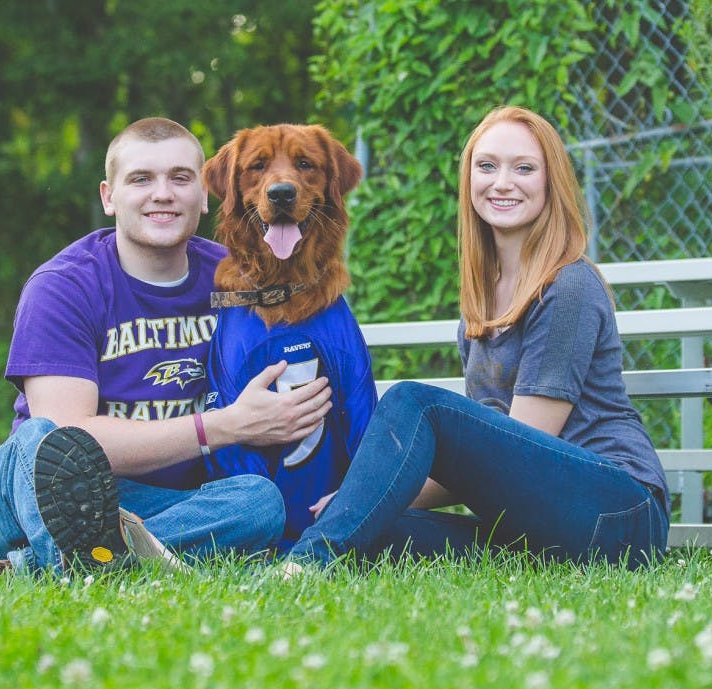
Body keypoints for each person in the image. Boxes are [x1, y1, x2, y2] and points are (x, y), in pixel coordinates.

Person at [0, 117, 333, 578]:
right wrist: (225, 426)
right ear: (108, 197)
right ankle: (83, 554)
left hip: (163, 504)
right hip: (29, 494)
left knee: (258, 503)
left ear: (204, 194)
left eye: (180, 178)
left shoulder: (236, 280)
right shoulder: (63, 286)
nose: (162, 194)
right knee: (42, 438)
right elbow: (69, 442)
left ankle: (29, 568)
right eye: (141, 179)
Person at [285, 106, 670, 571]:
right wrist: (361, 502)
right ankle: (307, 546)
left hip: (619, 516)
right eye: (486, 166)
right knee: (373, 533)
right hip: (541, 523)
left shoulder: (567, 285)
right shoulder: (484, 301)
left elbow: (523, 446)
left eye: (523, 168)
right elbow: (495, 460)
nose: (502, 182)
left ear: (552, 181)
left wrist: (364, 494)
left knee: (415, 403)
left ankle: (303, 566)